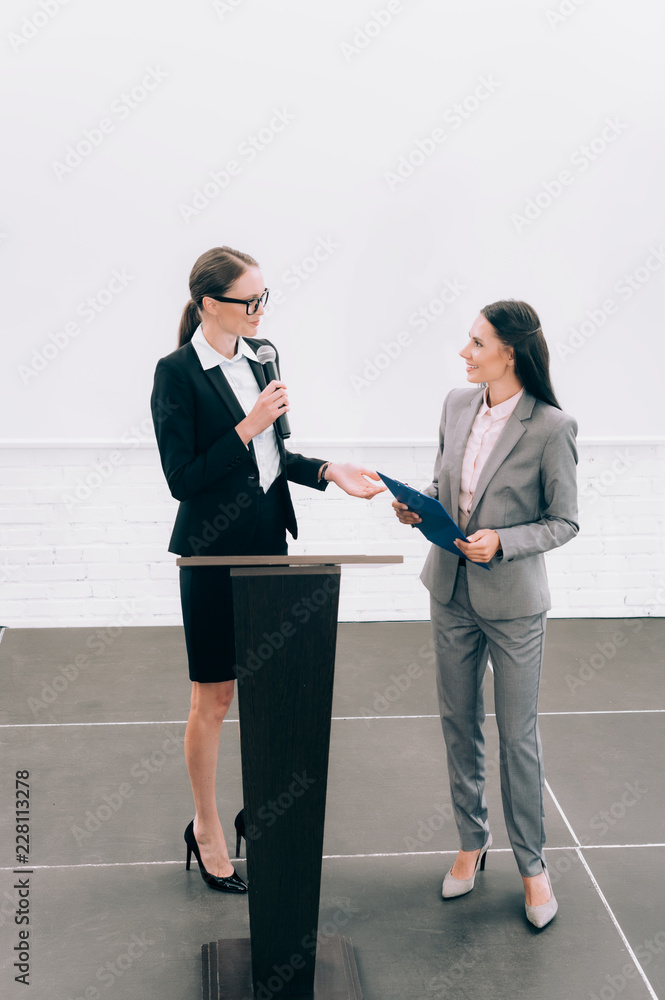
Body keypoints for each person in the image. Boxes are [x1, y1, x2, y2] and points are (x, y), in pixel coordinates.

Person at [151, 246, 384, 893]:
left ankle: (261, 812)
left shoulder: (262, 357)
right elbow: (183, 478)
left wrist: (326, 472)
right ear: (208, 305)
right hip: (208, 553)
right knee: (214, 697)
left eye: (262, 299)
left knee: (264, 693)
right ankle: (205, 828)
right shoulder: (175, 374)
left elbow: (273, 457)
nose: (258, 311)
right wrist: (247, 424)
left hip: (266, 545)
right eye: (247, 300)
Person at [393, 300, 578, 928]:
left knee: (516, 737)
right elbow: (448, 483)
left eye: (476, 343)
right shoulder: (455, 404)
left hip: (514, 602)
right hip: (449, 589)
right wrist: (419, 506)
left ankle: (533, 867)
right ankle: (472, 844)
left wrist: (505, 541)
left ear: (510, 353)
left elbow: (564, 521)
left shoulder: (551, 427)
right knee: (459, 723)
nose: (465, 352)